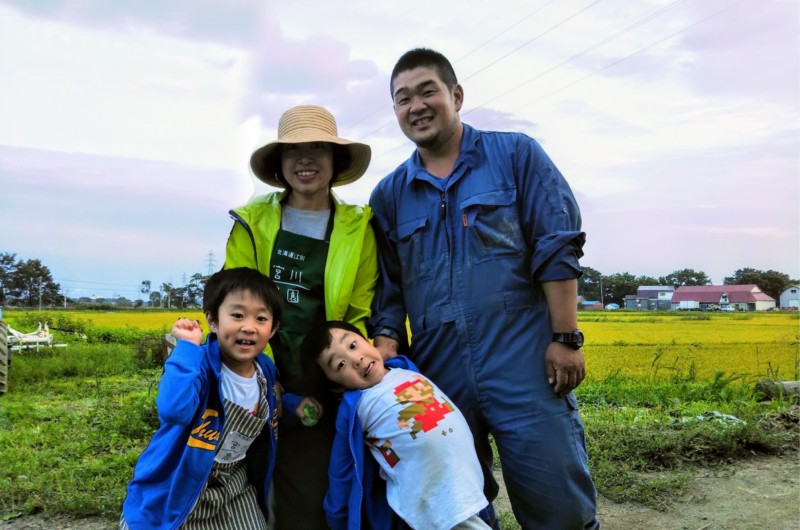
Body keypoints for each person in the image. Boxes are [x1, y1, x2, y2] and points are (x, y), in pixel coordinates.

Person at [368, 48, 599, 529]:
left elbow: (556, 246)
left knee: (560, 506)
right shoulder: (389, 195)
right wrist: (385, 367)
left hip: (526, 363)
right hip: (438, 373)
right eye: (403, 98)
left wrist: (566, 339)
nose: (417, 106)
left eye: (427, 91)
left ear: (455, 95)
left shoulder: (515, 155)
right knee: (455, 511)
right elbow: (388, 294)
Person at [224, 105, 378, 530]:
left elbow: (359, 312)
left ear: (335, 161)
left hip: (325, 374)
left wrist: (344, 373)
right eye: (293, 150)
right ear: (280, 164)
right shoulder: (252, 223)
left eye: (317, 149)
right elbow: (234, 301)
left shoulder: (357, 227)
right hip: (260, 370)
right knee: (254, 480)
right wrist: (252, 371)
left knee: (320, 485)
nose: (305, 159)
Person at [120, 267, 282, 530]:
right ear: (213, 321)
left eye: (261, 319)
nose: (249, 327)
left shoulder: (265, 369)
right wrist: (186, 347)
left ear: (273, 328)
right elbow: (174, 411)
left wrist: (298, 407)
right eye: (237, 315)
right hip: (179, 482)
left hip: (233, 484)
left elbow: (273, 405)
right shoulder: (200, 366)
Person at [300, 320, 490, 530]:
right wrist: (336, 514)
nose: (355, 359)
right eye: (340, 365)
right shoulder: (354, 407)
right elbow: (341, 468)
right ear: (336, 387)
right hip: (434, 500)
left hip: (463, 481)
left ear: (366, 340)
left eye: (353, 345)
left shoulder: (403, 368)